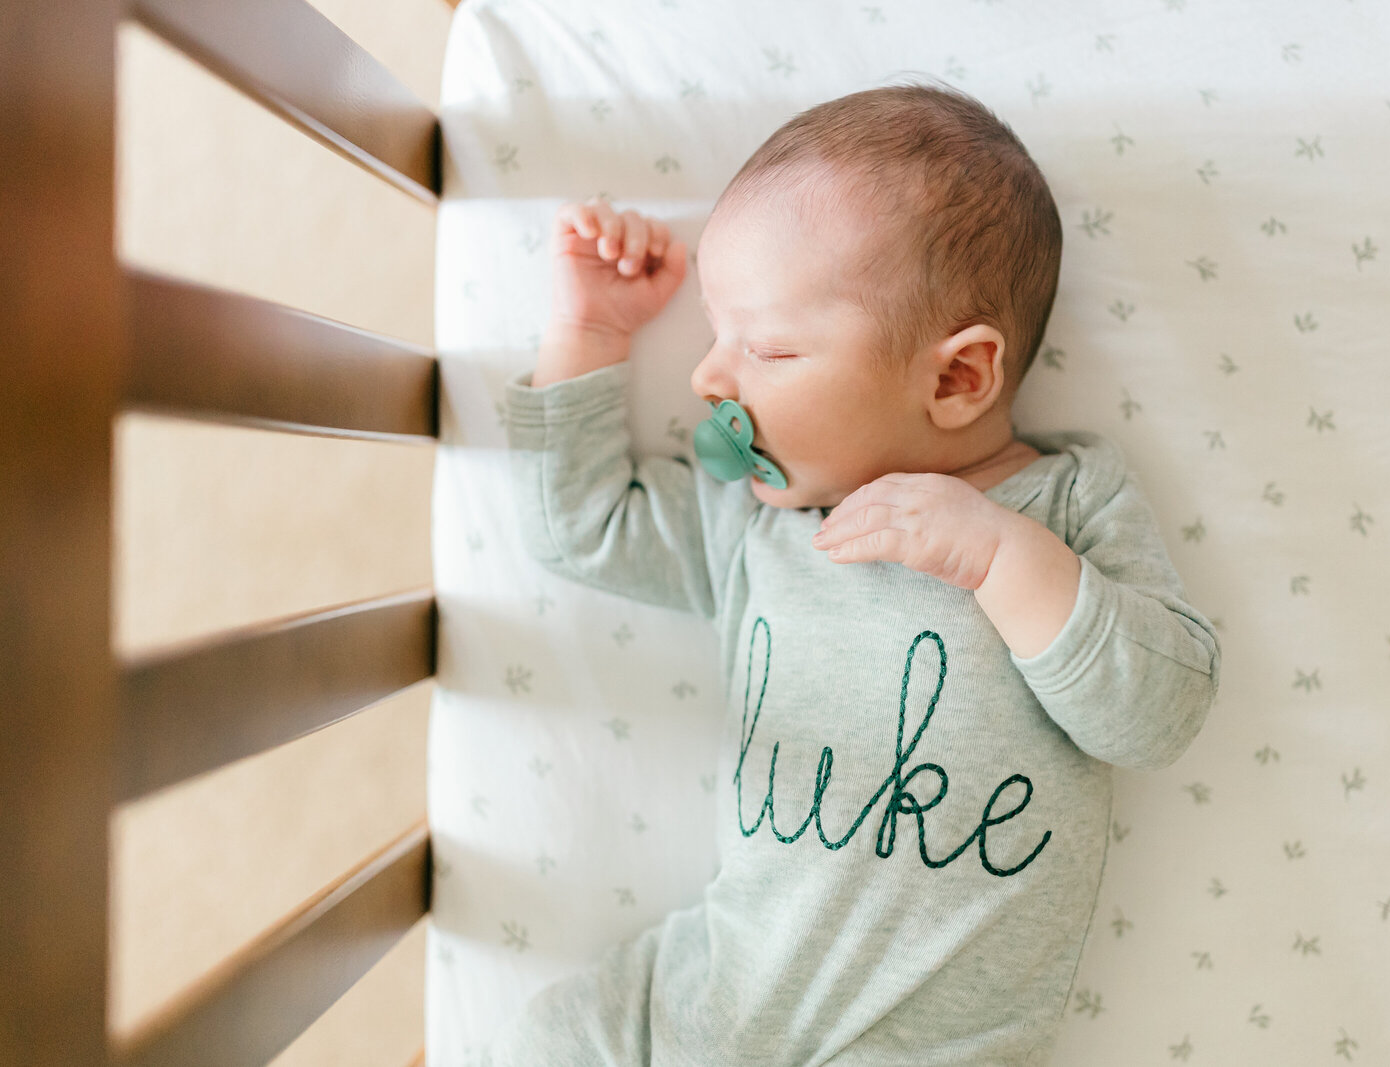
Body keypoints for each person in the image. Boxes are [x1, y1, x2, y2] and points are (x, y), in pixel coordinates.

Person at [492, 81, 1221, 1066]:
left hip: (925, 1044)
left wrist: (999, 555)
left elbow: (1157, 712)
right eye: (717, 335)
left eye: (770, 347)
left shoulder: (1063, 509)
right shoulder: (760, 523)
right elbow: (579, 529)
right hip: (711, 1000)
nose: (709, 378)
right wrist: (589, 333)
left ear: (956, 378)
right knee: (552, 1038)